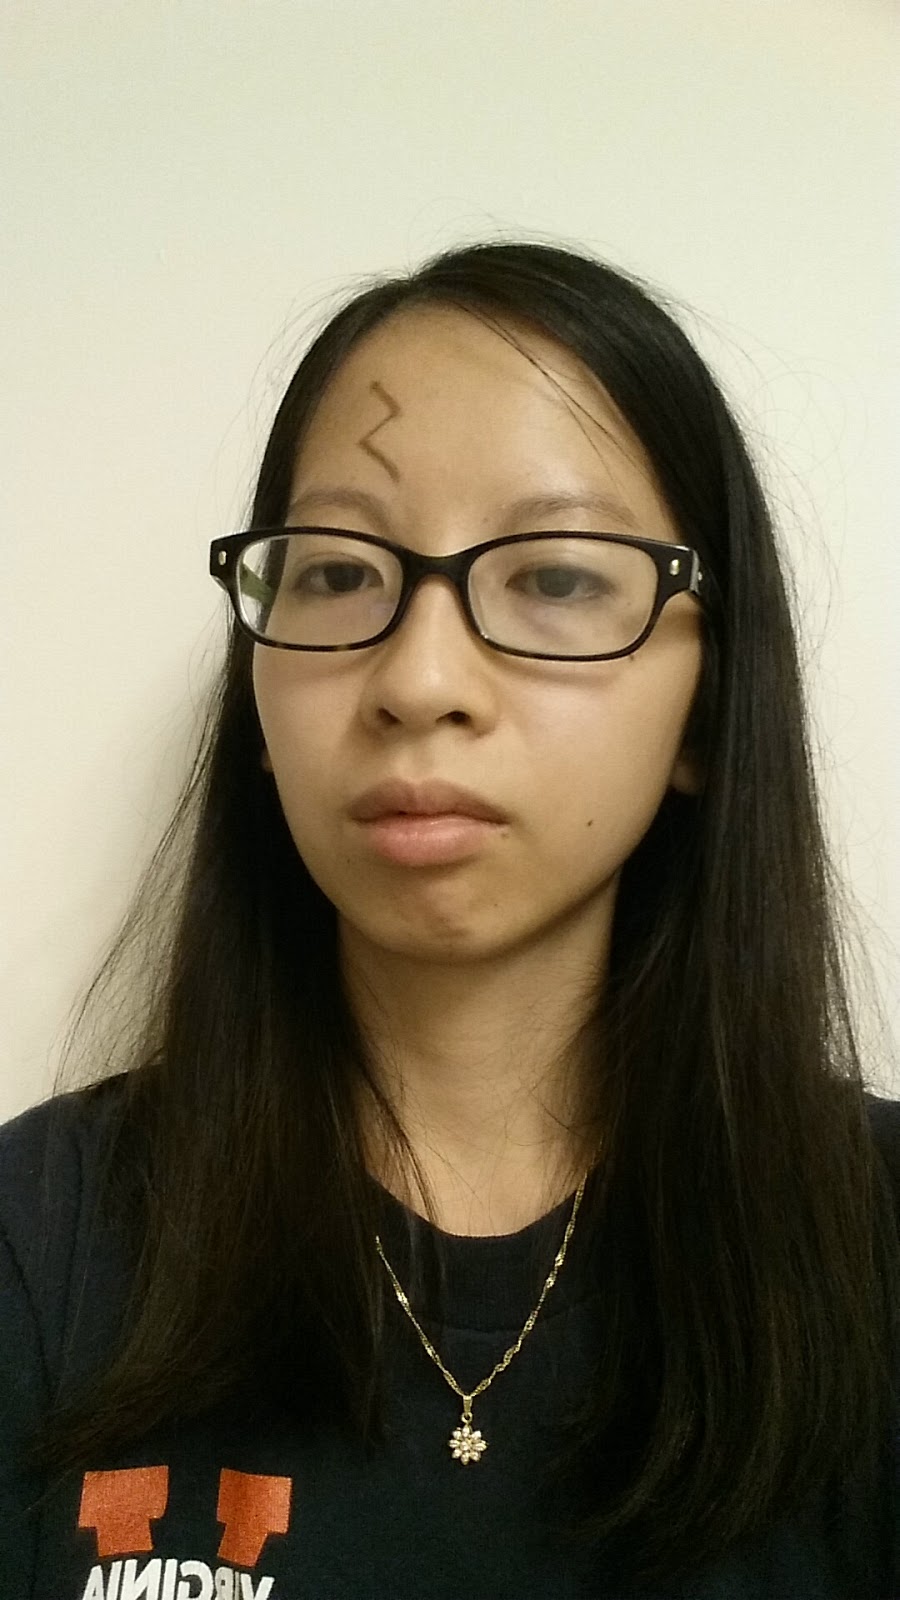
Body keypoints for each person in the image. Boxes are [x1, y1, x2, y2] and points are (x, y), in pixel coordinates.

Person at [1, 240, 898, 1600]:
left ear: (707, 711)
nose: (419, 681)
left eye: (556, 578)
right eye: (338, 574)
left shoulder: (873, 1246)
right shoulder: (39, 1240)